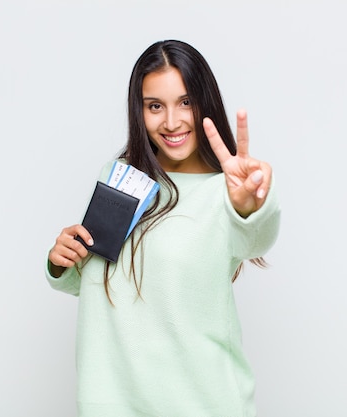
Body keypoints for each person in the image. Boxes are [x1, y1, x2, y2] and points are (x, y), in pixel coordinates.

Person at [46, 40, 280, 416]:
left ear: (206, 102)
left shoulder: (228, 192)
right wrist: (62, 261)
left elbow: (255, 239)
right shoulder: (121, 177)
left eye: (185, 102)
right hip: (111, 404)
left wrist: (250, 207)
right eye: (155, 106)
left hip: (203, 405)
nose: (171, 122)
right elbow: (102, 280)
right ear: (139, 111)